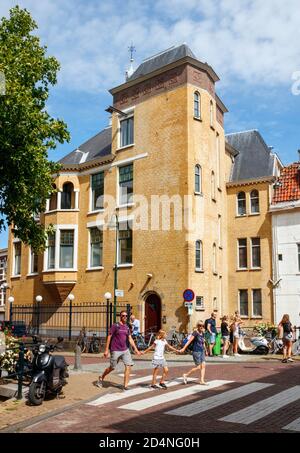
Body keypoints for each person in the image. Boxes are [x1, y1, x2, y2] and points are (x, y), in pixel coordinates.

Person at [96, 310, 141, 390]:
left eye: (126, 316)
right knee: (112, 367)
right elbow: (109, 337)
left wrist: (136, 349)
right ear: (120, 316)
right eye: (123, 315)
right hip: (115, 350)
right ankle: (101, 377)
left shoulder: (127, 327)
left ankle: (125, 385)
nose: (125, 317)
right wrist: (106, 350)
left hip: (125, 350)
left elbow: (130, 338)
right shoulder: (115, 326)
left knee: (128, 366)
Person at [180, 321, 209, 385]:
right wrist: (184, 348)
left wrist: (206, 350)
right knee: (198, 367)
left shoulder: (202, 333)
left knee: (203, 366)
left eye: (202, 325)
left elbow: (203, 343)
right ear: (197, 326)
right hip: (196, 351)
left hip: (202, 351)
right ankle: (186, 375)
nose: (201, 327)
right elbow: (189, 341)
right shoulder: (195, 333)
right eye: (200, 325)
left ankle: (202, 380)